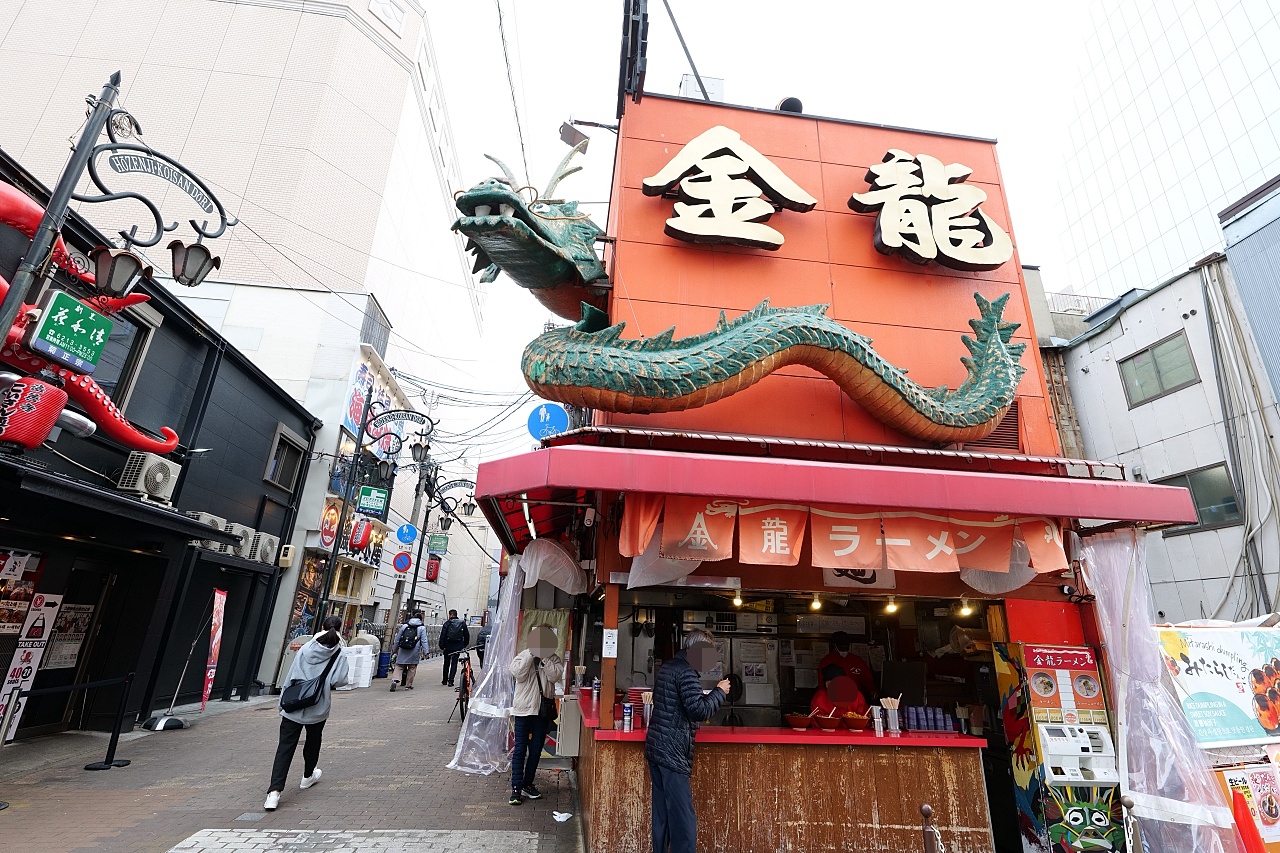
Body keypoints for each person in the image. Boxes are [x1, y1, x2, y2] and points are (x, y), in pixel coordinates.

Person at [645, 629, 730, 853]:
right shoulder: (686, 672)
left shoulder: (670, 666)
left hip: (657, 748)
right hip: (672, 753)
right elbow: (698, 710)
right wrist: (719, 692)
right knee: (683, 820)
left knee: (662, 815)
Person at [264, 615, 350, 812]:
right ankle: (307, 776)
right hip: (318, 705)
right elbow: (341, 680)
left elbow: (290, 676)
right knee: (313, 740)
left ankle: (274, 793)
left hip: (293, 705)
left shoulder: (306, 647)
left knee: (285, 747)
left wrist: (281, 704)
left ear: (321, 627)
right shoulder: (339, 653)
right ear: (340, 629)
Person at [508, 625, 565, 805]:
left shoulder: (554, 659)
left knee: (535, 750)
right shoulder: (523, 655)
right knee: (519, 749)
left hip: (542, 711)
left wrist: (545, 659)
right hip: (523, 710)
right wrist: (531, 654)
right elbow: (517, 674)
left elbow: (554, 676)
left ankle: (528, 784)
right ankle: (516, 788)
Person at [817, 631, 877, 705]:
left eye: (847, 648)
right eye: (842, 648)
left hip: (856, 701)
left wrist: (872, 690)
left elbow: (868, 680)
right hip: (833, 702)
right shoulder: (826, 662)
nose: (845, 650)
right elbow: (822, 686)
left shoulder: (857, 661)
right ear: (834, 645)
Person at [390, 611, 427, 691]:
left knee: (399, 666)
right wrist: (426, 652)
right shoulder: (422, 628)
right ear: (421, 620)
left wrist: (395, 649)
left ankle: (394, 680)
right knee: (412, 668)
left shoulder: (405, 626)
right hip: (414, 650)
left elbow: (398, 638)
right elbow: (424, 641)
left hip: (403, 648)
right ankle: (408, 685)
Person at [439, 609, 470, 687]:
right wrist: (465, 644)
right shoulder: (462, 623)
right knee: (454, 663)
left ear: (450, 615)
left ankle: (444, 680)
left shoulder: (447, 623)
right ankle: (451, 681)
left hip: (447, 646)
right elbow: (466, 634)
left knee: (446, 663)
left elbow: (443, 635)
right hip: (457, 646)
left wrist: (441, 645)